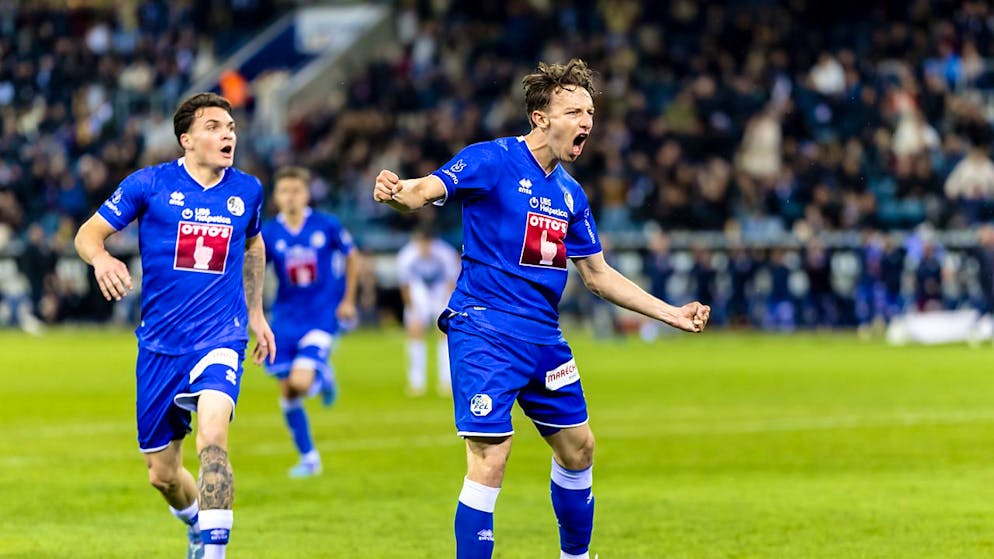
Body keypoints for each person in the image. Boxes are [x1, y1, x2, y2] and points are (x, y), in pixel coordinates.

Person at [372, 59, 710, 559]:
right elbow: (427, 190)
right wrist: (399, 192)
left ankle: (575, 557)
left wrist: (672, 313)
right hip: (484, 328)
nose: (587, 122)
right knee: (490, 456)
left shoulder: (571, 195)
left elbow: (597, 276)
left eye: (590, 112)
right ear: (540, 117)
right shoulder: (491, 160)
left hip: (544, 339)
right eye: (574, 111)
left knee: (580, 448)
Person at [74, 92, 275, 559]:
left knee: (212, 439)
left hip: (220, 338)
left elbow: (253, 246)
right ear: (186, 139)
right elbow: (88, 234)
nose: (227, 134)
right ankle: (193, 524)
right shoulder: (149, 184)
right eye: (213, 126)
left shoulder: (247, 190)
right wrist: (101, 258)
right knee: (162, 474)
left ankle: (215, 551)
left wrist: (257, 314)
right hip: (160, 347)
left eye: (230, 126)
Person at [260, 166, 358, 477]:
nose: (291, 197)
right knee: (288, 392)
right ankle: (309, 458)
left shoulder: (325, 225)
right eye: (284, 191)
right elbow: (256, 270)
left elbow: (353, 256)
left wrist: (348, 300)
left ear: (306, 194)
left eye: (296, 190)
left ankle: (321, 376)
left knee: (301, 383)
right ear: (276, 196)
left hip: (321, 315)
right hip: (285, 319)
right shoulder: (269, 233)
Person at [395, 225, 460, 396]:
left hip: (440, 289)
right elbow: (405, 285)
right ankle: (416, 381)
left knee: (445, 334)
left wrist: (446, 307)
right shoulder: (406, 256)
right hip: (419, 289)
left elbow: (451, 282)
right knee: (415, 332)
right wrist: (412, 309)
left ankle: (446, 380)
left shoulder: (445, 254)